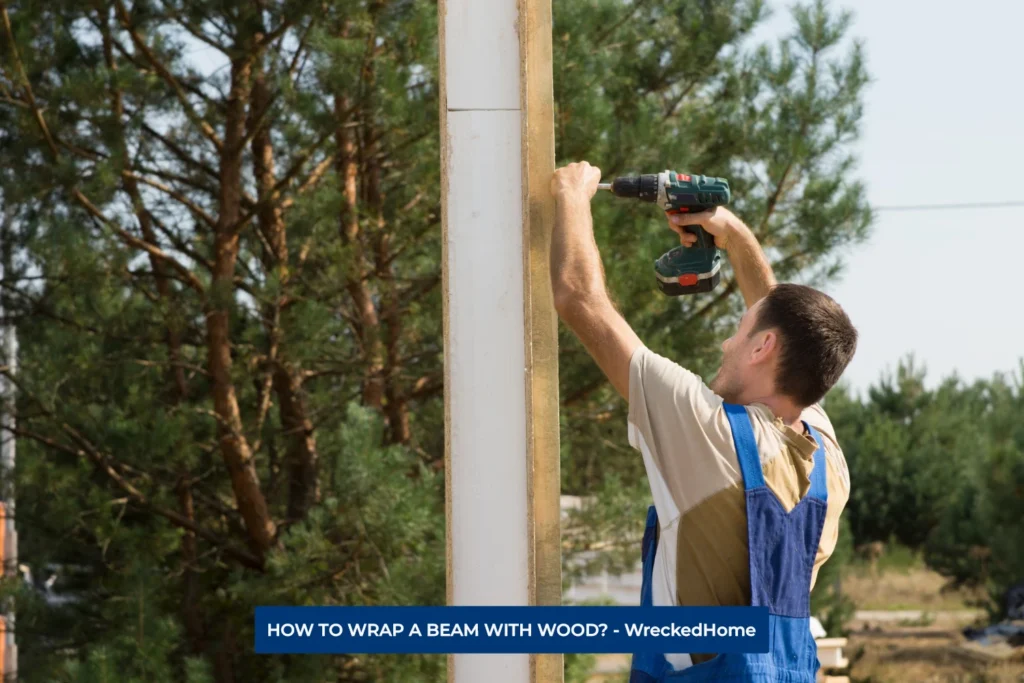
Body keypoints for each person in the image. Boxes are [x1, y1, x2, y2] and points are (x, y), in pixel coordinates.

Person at [549, 161, 858, 682]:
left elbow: (578, 298)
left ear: (763, 347)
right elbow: (783, 320)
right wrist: (732, 234)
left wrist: (571, 193)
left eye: (738, 332)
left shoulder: (710, 435)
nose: (725, 343)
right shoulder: (826, 457)